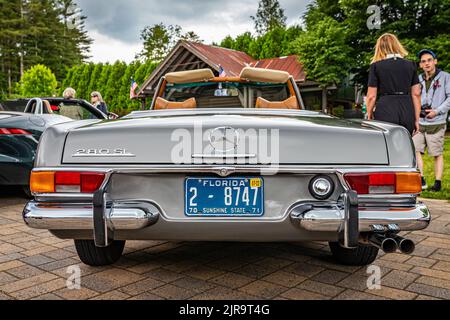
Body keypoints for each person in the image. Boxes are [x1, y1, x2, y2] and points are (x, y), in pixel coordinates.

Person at [366, 33, 422, 136]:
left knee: (386, 146)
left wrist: (369, 115)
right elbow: (416, 94)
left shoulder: (376, 66)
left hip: (385, 109)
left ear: (380, 48)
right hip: (407, 109)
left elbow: (371, 96)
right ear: (397, 45)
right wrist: (417, 120)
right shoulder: (411, 65)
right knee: (405, 145)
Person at [413, 49, 450, 192]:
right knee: (416, 150)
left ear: (435, 61)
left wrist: (437, 111)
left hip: (437, 122)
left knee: (437, 153)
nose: (426, 63)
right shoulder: (418, 78)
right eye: (423, 61)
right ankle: (421, 178)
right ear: (420, 65)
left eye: (429, 60)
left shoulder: (446, 77)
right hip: (420, 122)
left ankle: (438, 183)